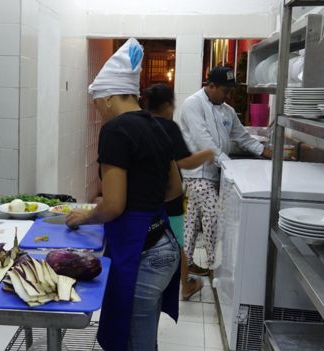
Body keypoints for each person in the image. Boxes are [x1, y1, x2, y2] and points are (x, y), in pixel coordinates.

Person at [66, 38, 183, 351]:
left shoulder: (116, 130)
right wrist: (145, 200)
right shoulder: (158, 125)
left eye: (96, 103)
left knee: (135, 343)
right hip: (164, 244)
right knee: (140, 337)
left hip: (142, 253)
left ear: (107, 98)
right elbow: (174, 189)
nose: (97, 111)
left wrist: (87, 215)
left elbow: (114, 205)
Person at [179, 66, 272, 275]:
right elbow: (204, 141)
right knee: (213, 214)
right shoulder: (193, 104)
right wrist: (229, 165)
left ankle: (185, 263)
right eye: (224, 90)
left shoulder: (227, 111)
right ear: (211, 86)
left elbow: (243, 137)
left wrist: (267, 152)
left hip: (214, 173)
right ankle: (213, 265)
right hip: (196, 173)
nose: (227, 95)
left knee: (192, 221)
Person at [144, 84, 215, 300]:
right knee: (176, 240)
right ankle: (185, 285)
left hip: (144, 195)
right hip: (170, 195)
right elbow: (183, 161)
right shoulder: (168, 126)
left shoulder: (139, 124)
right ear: (167, 105)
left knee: (147, 237)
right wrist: (208, 154)